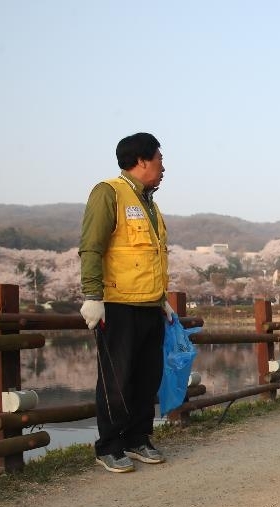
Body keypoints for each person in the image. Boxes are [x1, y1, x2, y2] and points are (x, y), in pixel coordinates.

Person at [79, 132, 176, 473]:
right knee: (116, 379)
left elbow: (154, 258)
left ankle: (138, 438)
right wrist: (93, 297)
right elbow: (92, 247)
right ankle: (109, 444)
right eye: (160, 160)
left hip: (149, 304)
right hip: (117, 303)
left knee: (147, 377)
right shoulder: (109, 193)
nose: (164, 167)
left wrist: (163, 299)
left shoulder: (150, 203)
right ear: (141, 160)